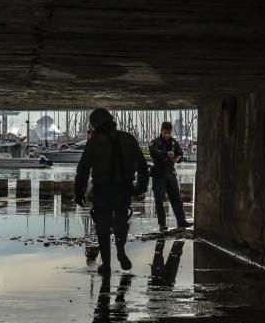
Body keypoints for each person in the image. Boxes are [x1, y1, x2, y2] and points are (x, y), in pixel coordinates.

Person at [75, 108, 149, 275]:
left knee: (102, 227)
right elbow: (143, 167)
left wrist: (79, 193)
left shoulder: (94, 142)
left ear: (95, 124)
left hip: (102, 190)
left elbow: (83, 170)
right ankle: (121, 251)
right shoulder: (128, 139)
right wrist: (141, 188)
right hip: (124, 190)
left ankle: (106, 264)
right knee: (121, 222)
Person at [149, 121, 192, 231]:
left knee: (176, 198)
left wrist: (178, 158)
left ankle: (181, 221)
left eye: (169, 132)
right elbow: (153, 153)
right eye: (165, 132)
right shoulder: (155, 142)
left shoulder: (173, 142)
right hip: (159, 173)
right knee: (159, 198)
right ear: (161, 131)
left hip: (170, 173)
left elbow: (180, 153)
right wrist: (166, 153)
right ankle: (162, 224)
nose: (167, 134)